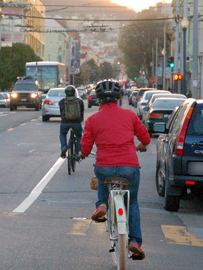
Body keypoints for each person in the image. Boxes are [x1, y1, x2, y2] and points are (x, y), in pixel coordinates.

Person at [78, 79, 150, 260]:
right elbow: (146, 138)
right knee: (132, 203)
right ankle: (134, 242)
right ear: (119, 98)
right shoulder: (130, 116)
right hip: (129, 168)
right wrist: (140, 145)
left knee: (102, 177)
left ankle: (101, 204)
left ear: (99, 99)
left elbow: (86, 148)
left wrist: (81, 154)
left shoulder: (93, 119)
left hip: (105, 167)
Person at [59, 85, 84, 158]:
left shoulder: (62, 102)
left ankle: (64, 147)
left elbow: (61, 112)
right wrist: (80, 120)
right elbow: (81, 112)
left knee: (62, 134)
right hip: (76, 122)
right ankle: (78, 152)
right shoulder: (79, 101)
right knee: (79, 136)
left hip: (65, 122)